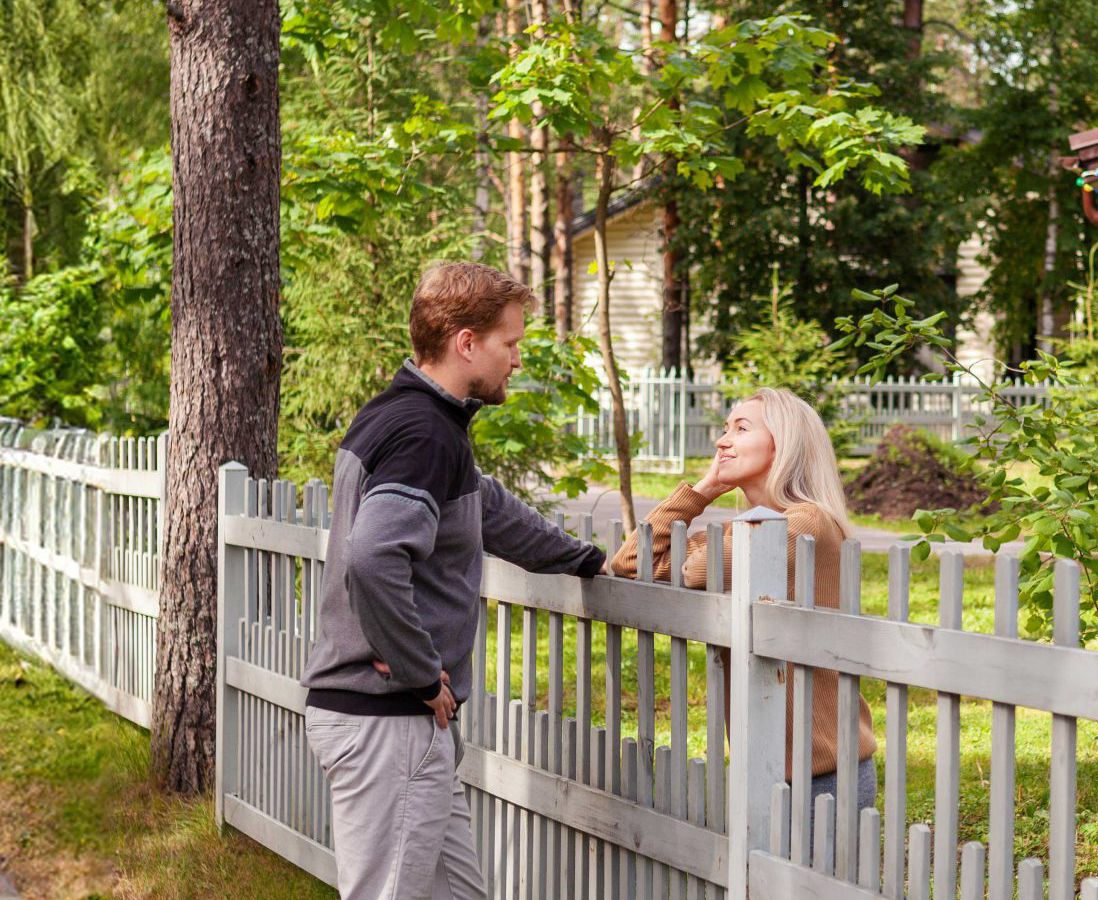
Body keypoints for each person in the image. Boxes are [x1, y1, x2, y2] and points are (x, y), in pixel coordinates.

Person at [302, 261, 608, 900]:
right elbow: (373, 555)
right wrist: (416, 669)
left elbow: (485, 509)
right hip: (390, 720)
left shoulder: (407, 417)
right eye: (511, 342)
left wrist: (587, 559)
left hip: (398, 723)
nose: (517, 360)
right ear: (466, 343)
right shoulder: (424, 434)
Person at [606, 387, 882, 809]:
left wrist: (700, 552)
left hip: (823, 777)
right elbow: (629, 561)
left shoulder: (806, 521)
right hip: (767, 768)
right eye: (724, 428)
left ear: (783, 445)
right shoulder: (751, 527)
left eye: (741, 428)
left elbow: (698, 569)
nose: (722, 440)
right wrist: (704, 488)